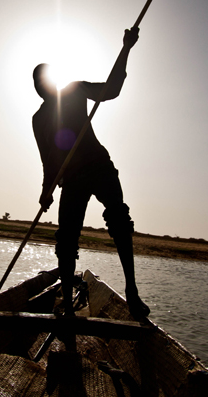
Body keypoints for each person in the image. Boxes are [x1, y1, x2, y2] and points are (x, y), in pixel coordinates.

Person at [32, 27, 149, 318]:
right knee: (66, 239)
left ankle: (132, 292)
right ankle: (68, 301)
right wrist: (46, 191)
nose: (41, 86)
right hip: (71, 180)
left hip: (99, 167)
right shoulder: (39, 119)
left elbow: (112, 89)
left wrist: (126, 48)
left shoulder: (74, 90)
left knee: (119, 219)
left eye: (44, 79)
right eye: (36, 82)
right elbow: (48, 161)